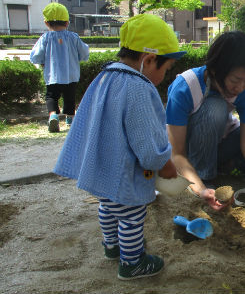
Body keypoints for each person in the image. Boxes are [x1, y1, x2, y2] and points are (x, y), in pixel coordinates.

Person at [54, 14, 184, 280]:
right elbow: (148, 147)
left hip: (102, 168)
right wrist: (166, 165)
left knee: (108, 209)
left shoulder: (105, 76)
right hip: (125, 173)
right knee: (132, 217)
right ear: (148, 60)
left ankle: (112, 247)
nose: (164, 75)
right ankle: (132, 262)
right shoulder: (138, 87)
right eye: (165, 68)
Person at [165, 31, 245, 211]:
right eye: (235, 80)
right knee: (215, 108)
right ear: (215, 71)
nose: (241, 87)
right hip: (192, 152)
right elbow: (177, 154)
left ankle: (235, 166)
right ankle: (205, 176)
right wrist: (201, 190)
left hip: (221, 144)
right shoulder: (186, 87)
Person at [30, 3, 89, 132]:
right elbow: (84, 52)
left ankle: (53, 116)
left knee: (51, 96)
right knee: (70, 97)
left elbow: (36, 55)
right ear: (67, 23)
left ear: (46, 23)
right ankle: (70, 118)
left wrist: (40, 62)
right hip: (71, 74)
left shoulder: (45, 38)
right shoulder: (73, 37)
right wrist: (79, 58)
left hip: (52, 74)